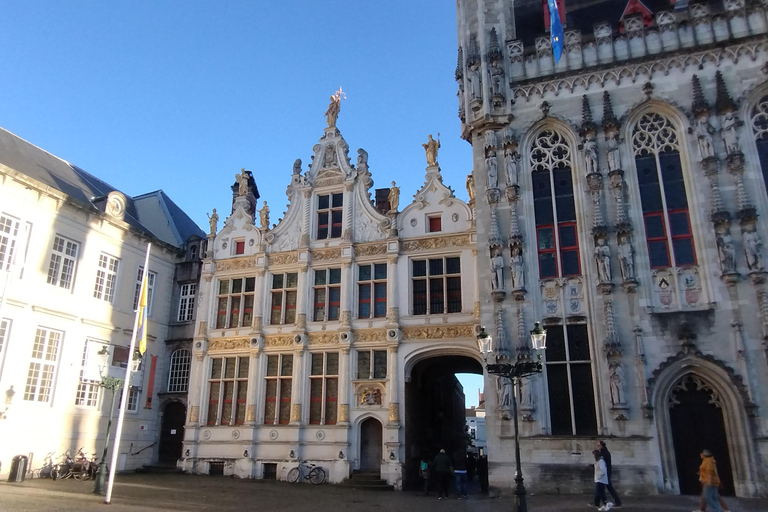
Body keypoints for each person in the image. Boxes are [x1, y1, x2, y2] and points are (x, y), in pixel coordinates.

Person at [598, 441, 622, 508]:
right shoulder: (605, 453)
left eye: (599, 445)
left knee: (604, 488)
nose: (598, 447)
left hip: (605, 474)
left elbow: (602, 464)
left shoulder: (604, 454)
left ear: (602, 446)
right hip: (606, 473)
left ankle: (614, 502)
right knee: (604, 488)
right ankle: (607, 502)